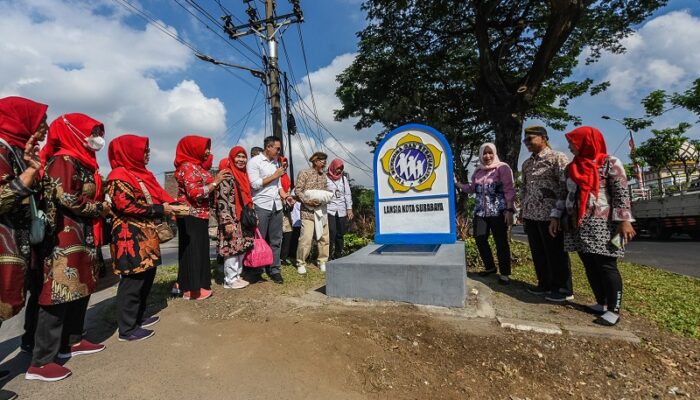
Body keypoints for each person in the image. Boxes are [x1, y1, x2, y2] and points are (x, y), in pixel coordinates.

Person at [27, 113, 110, 382]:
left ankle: (72, 342)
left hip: (82, 235)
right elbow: (65, 196)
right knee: (58, 293)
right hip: (64, 238)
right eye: (93, 131)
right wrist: (100, 208)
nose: (97, 138)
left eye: (98, 131)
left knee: (81, 289)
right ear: (73, 131)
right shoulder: (63, 160)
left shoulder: (84, 161)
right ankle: (41, 362)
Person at [550, 126, 635, 326]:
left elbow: (621, 194)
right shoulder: (571, 168)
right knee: (588, 263)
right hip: (576, 223)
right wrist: (555, 216)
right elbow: (564, 194)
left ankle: (614, 310)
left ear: (586, 142)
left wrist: (624, 221)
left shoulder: (609, 163)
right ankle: (601, 302)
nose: (570, 146)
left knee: (607, 265)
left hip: (602, 223)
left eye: (573, 142)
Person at [106, 135, 188, 341]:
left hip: (146, 234)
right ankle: (127, 328)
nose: (147, 154)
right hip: (129, 236)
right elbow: (125, 205)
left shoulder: (140, 174)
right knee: (133, 281)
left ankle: (137, 317)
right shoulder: (119, 175)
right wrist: (162, 208)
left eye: (148, 150)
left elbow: (158, 195)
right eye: (144, 150)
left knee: (146, 276)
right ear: (129, 151)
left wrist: (172, 205)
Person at [0, 97, 48, 384]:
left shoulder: (16, 151)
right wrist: (30, 172)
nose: (45, 128)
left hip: (18, 244)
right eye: (40, 121)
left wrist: (32, 166)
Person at [520, 126, 573, 301]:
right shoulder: (527, 164)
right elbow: (525, 188)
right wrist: (522, 211)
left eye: (530, 139)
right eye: (525, 140)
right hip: (531, 215)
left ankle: (563, 289)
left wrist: (557, 214)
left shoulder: (557, 158)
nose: (527, 143)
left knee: (555, 252)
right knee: (538, 252)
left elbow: (565, 187)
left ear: (543, 138)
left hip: (550, 215)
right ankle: (544, 284)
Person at [174, 135, 228, 300]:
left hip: (200, 215)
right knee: (193, 252)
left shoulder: (196, 167)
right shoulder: (187, 167)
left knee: (199, 251)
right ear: (193, 148)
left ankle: (187, 285)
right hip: (190, 215)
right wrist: (215, 182)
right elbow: (195, 193)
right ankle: (192, 289)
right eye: (205, 148)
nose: (207, 152)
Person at [455, 143, 516, 284]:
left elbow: (509, 189)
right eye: (484, 153)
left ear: (494, 154)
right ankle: (490, 267)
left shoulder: (502, 168)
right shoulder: (478, 172)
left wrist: (509, 209)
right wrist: (457, 184)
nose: (487, 156)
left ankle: (505, 273)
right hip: (480, 212)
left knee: (501, 242)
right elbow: (471, 189)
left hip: (498, 212)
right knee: (480, 238)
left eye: (490, 153)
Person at [246, 136, 292, 284]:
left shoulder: (276, 163)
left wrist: (285, 196)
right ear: (268, 147)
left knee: (276, 239)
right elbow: (254, 184)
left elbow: (277, 185)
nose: (279, 151)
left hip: (276, 205)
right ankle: (257, 270)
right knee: (260, 239)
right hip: (261, 205)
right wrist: (275, 175)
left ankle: (274, 269)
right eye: (277, 148)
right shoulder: (254, 162)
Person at [216, 146, 255, 289]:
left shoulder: (243, 175)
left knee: (241, 248)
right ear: (232, 158)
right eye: (238, 157)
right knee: (231, 249)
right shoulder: (227, 175)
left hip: (242, 219)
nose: (241, 160)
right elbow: (222, 200)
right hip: (232, 219)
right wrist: (226, 221)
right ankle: (230, 279)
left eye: (243, 157)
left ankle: (237, 276)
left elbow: (248, 197)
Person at [295, 152, 332, 273]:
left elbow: (326, 191)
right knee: (306, 237)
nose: (324, 163)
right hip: (307, 211)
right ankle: (301, 262)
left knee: (324, 237)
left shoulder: (324, 176)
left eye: (325, 161)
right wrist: (308, 201)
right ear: (315, 161)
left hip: (321, 210)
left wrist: (325, 198)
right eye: (322, 161)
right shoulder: (304, 173)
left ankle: (322, 261)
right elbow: (298, 190)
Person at [326, 158, 353, 260]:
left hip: (341, 209)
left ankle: (338, 255)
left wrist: (349, 209)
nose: (339, 171)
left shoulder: (343, 179)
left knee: (340, 233)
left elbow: (347, 194)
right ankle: (328, 255)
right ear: (333, 167)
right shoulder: (326, 178)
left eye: (341, 169)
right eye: (337, 168)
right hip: (330, 209)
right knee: (331, 232)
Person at [279, 155, 296, 264]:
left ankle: (283, 257)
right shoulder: (276, 176)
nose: (284, 167)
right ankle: (277, 257)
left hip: (286, 208)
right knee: (278, 233)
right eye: (282, 165)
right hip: (277, 207)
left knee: (288, 232)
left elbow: (288, 190)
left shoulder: (286, 177)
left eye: (286, 165)